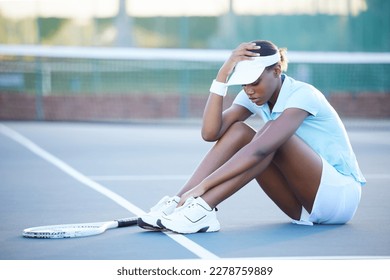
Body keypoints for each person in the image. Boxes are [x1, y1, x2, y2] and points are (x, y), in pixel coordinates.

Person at [137, 40, 366, 234]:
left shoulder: (303, 95)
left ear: (276, 70)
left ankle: (203, 207)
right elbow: (210, 133)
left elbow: (260, 150)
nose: (249, 90)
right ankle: (178, 203)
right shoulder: (254, 95)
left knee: (271, 134)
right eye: (244, 83)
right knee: (240, 131)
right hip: (302, 208)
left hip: (339, 197)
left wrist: (201, 188)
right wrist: (222, 75)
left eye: (255, 82)